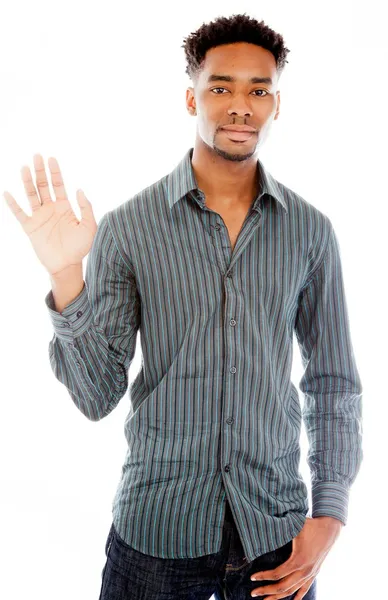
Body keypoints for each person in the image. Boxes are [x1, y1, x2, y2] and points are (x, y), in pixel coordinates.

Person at [3, 12, 363, 600]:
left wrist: (331, 515)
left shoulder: (311, 232)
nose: (240, 106)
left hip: (275, 539)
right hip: (155, 540)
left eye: (259, 90)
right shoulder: (129, 227)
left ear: (277, 104)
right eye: (220, 87)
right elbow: (96, 396)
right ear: (190, 97)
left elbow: (334, 381)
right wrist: (66, 273)